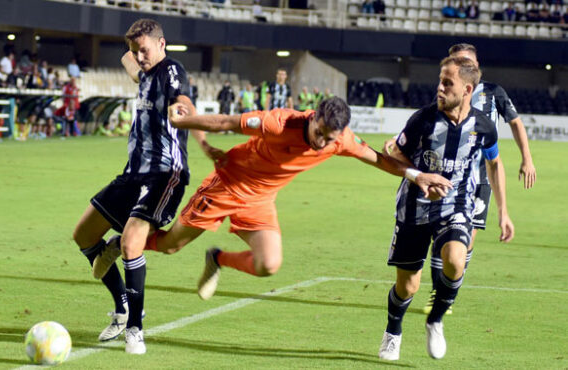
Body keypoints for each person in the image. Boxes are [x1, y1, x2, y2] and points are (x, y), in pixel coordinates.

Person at [93, 97, 452, 313]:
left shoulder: (339, 139)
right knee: (171, 245)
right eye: (319, 133)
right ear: (312, 118)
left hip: (260, 200)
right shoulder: (278, 123)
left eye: (329, 139)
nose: (322, 143)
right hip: (227, 184)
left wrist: (416, 176)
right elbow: (225, 122)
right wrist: (183, 121)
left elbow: (377, 159)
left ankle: (217, 259)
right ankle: (123, 243)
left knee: (269, 264)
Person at [72, 18, 222, 355]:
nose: (138, 56)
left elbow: (184, 104)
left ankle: (136, 329)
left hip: (165, 174)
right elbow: (130, 60)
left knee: (131, 241)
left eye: (145, 50)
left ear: (162, 44)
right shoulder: (143, 71)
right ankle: (123, 308)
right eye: (135, 50)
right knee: (83, 235)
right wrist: (135, 55)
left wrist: (203, 142)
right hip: (133, 172)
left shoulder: (171, 72)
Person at [377, 56, 514, 361]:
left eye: (447, 83)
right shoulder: (423, 120)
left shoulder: (483, 126)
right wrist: (418, 174)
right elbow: (392, 156)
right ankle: (393, 331)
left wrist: (503, 211)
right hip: (414, 207)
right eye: (440, 81)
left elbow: (495, 164)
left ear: (467, 89)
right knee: (407, 286)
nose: (439, 88)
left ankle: (435, 319)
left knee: (455, 259)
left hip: (457, 205)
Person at [385, 44, 536, 315]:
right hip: (443, 175)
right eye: (458, 60)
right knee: (443, 239)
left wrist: (527, 158)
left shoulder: (493, 93)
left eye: (469, 62)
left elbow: (514, 123)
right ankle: (436, 293)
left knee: (464, 241)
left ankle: (446, 292)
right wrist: (397, 146)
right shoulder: (442, 101)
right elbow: (422, 128)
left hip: (478, 179)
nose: (464, 64)